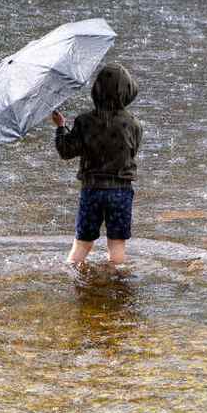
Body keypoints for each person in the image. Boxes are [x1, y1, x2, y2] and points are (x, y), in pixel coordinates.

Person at [51, 62, 143, 267]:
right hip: (120, 190)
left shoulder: (84, 121)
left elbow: (66, 152)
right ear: (126, 93)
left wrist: (60, 127)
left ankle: (73, 279)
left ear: (96, 91)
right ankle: (118, 286)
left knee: (82, 244)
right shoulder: (133, 124)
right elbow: (132, 152)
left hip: (92, 190)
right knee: (117, 246)